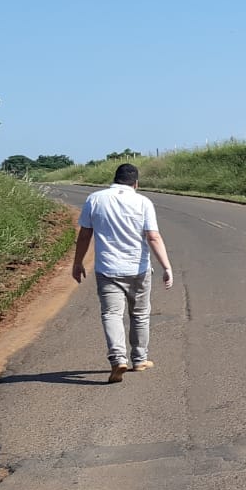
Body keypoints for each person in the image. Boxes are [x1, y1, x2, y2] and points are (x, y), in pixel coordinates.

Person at [71, 163, 175, 383]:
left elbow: (84, 236)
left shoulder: (95, 199)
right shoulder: (143, 202)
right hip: (138, 269)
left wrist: (78, 262)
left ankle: (118, 358)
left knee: (111, 314)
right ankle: (139, 359)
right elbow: (153, 237)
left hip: (107, 269)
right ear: (136, 183)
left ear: (114, 179)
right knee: (139, 315)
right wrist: (166, 266)